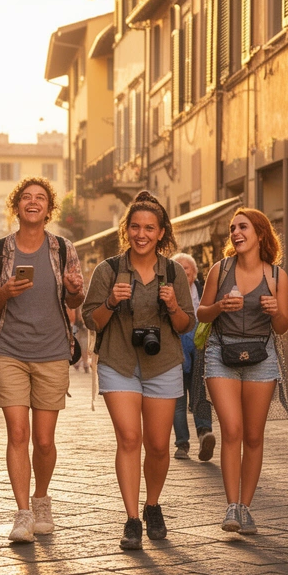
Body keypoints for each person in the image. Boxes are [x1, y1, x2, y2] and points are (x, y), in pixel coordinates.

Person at [83, 191, 194, 550]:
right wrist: (112, 302)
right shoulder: (108, 270)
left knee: (159, 446)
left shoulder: (173, 271)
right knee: (130, 439)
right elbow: (91, 320)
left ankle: (152, 505)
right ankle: (131, 519)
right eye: (135, 227)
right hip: (119, 362)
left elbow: (184, 325)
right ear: (126, 229)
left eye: (149, 228)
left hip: (162, 364)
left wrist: (175, 305)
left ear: (161, 232)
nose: (141, 234)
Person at [0, 176, 84, 545]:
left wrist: (74, 291)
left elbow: (74, 303)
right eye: (26, 197)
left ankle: (42, 499)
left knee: (44, 439)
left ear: (48, 209)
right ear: (17, 206)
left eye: (40, 198)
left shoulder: (65, 249)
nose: (33, 202)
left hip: (53, 352)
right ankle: (23, 513)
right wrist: (4, 292)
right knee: (18, 434)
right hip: (9, 351)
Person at [197, 208, 288, 536]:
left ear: (260, 234)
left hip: (261, 355)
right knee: (232, 430)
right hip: (220, 354)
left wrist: (277, 310)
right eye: (233, 228)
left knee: (253, 436)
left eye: (243, 227)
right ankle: (231, 506)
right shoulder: (219, 270)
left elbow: (283, 326)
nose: (236, 232)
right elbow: (202, 313)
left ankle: (246, 506)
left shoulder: (277, 276)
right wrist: (220, 306)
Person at [170, 253, 214, 462]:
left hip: (200, 346)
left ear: (194, 272)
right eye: (178, 267)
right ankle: (182, 444)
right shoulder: (167, 292)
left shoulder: (204, 289)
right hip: (175, 346)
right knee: (178, 396)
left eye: (186, 268)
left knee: (201, 391)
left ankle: (205, 433)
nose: (183, 271)